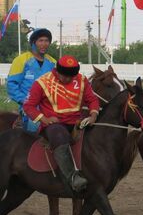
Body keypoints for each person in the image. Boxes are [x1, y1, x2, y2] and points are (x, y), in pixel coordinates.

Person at [23, 55, 100, 192]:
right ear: (57, 71)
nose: (68, 79)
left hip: (77, 122)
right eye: (65, 76)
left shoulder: (82, 80)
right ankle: (73, 177)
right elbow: (28, 106)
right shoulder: (42, 82)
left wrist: (93, 115)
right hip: (54, 126)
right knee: (60, 135)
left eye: (71, 76)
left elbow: (92, 99)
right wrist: (45, 119)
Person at [7, 28, 56, 132]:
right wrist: (26, 102)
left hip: (48, 108)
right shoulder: (21, 60)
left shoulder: (53, 62)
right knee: (34, 128)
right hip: (28, 108)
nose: (44, 44)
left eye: (47, 41)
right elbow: (12, 85)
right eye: (40, 40)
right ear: (33, 42)